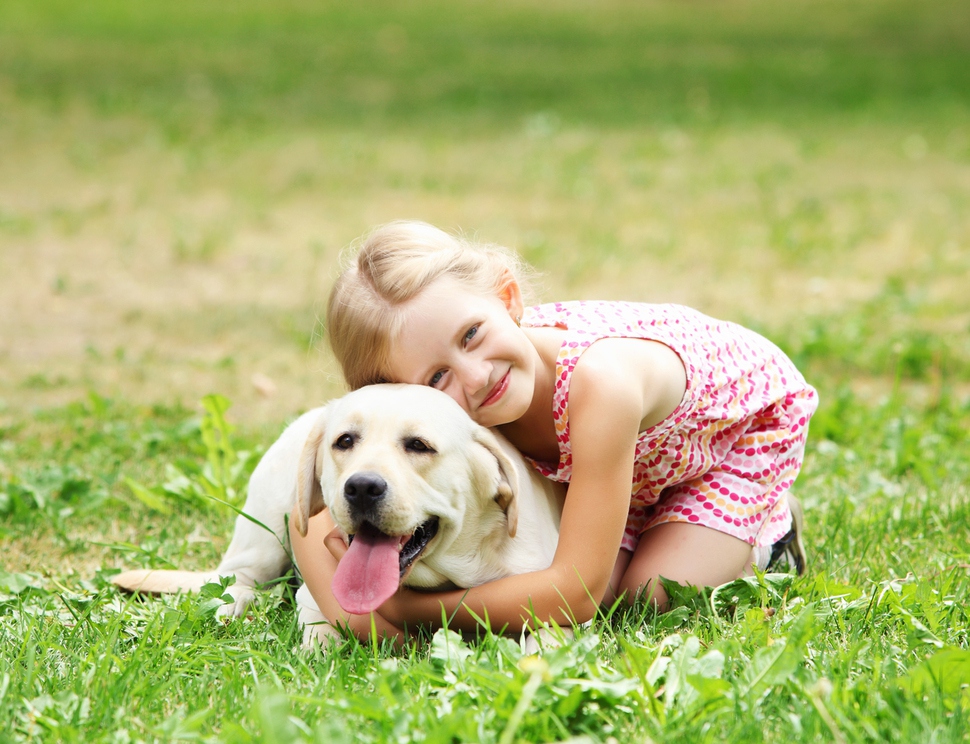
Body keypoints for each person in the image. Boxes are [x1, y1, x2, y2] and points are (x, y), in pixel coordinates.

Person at [290, 220, 817, 643]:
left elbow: (574, 595)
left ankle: (769, 533)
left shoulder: (603, 384)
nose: (476, 377)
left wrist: (411, 610)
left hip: (731, 435)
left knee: (646, 597)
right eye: (435, 377)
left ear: (508, 297)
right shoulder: (456, 415)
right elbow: (309, 523)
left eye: (472, 334)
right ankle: (652, 524)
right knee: (582, 581)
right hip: (615, 460)